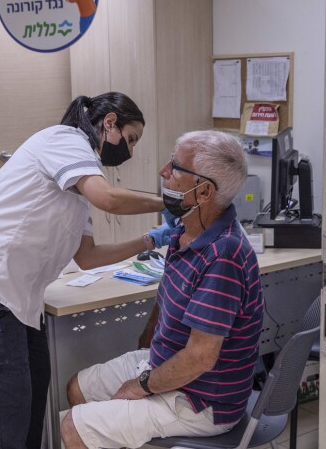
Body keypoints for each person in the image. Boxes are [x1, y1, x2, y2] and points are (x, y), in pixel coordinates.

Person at [0, 92, 166, 449]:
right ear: (110, 123)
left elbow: (88, 257)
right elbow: (107, 198)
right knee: (7, 416)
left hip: (18, 298)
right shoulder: (65, 141)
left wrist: (151, 240)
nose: (131, 151)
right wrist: (167, 202)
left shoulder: (80, 176)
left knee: (32, 400)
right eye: (131, 138)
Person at [61, 130, 264, 449]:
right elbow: (168, 294)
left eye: (175, 166)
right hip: (166, 363)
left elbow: (199, 358)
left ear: (204, 192)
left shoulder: (224, 256)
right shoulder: (185, 229)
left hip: (203, 400)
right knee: (77, 389)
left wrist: (142, 386)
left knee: (72, 427)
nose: (163, 171)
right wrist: (149, 338)